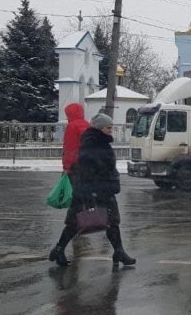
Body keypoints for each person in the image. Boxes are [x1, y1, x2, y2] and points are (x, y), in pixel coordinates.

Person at [50, 113, 136, 266]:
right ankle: (59, 249)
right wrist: (93, 192)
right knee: (76, 222)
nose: (111, 130)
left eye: (111, 127)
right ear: (99, 128)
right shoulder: (92, 143)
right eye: (108, 128)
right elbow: (89, 170)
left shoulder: (99, 142)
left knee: (111, 221)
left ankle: (119, 252)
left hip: (102, 189)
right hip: (93, 190)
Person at [48, 103, 88, 267]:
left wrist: (66, 167)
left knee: (76, 210)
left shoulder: (72, 127)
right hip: (88, 170)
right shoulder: (87, 124)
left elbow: (70, 149)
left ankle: (59, 248)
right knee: (83, 209)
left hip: (76, 170)